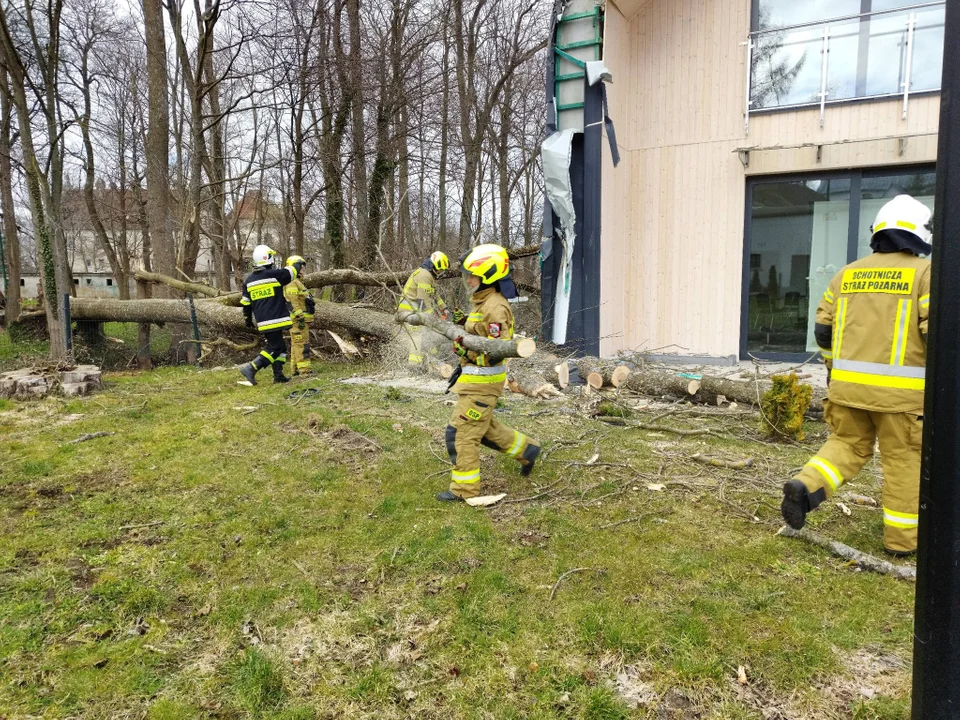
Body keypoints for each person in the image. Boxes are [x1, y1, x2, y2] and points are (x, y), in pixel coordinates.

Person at [781, 195, 932, 555]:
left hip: (848, 391)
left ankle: (805, 486)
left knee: (847, 445)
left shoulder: (846, 274)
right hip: (904, 400)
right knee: (903, 462)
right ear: (920, 233)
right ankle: (902, 542)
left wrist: (835, 371)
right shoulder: (925, 274)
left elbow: (823, 331)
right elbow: (935, 334)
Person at [438, 243, 541, 502]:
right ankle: (527, 449)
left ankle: (464, 490)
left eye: (472, 275)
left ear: (488, 277)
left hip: (483, 382)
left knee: (461, 432)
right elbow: (479, 333)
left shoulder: (495, 307)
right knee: (482, 428)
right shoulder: (483, 301)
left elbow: (497, 349)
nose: (468, 280)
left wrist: (468, 350)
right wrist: (463, 325)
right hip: (474, 380)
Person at [238, 245, 304, 385]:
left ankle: (278, 375)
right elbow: (291, 272)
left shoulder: (248, 281)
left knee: (280, 347)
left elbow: (246, 304)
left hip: (263, 321)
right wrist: (298, 262)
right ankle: (251, 368)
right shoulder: (274, 275)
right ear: (268, 258)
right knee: (275, 347)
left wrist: (248, 320)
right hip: (276, 319)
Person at [398, 251, 450, 365]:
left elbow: (434, 294)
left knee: (428, 333)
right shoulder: (423, 275)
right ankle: (414, 365)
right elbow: (423, 300)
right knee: (418, 335)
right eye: (440, 269)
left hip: (416, 308)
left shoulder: (429, 276)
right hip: (408, 310)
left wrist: (444, 308)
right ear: (435, 266)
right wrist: (433, 317)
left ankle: (430, 361)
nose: (441, 272)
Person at [283, 255, 316, 376]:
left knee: (296, 345)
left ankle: (295, 370)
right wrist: (300, 316)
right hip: (299, 321)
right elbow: (292, 301)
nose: (303, 271)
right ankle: (305, 371)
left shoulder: (297, 282)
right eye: (301, 268)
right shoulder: (292, 282)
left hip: (302, 320)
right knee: (302, 345)